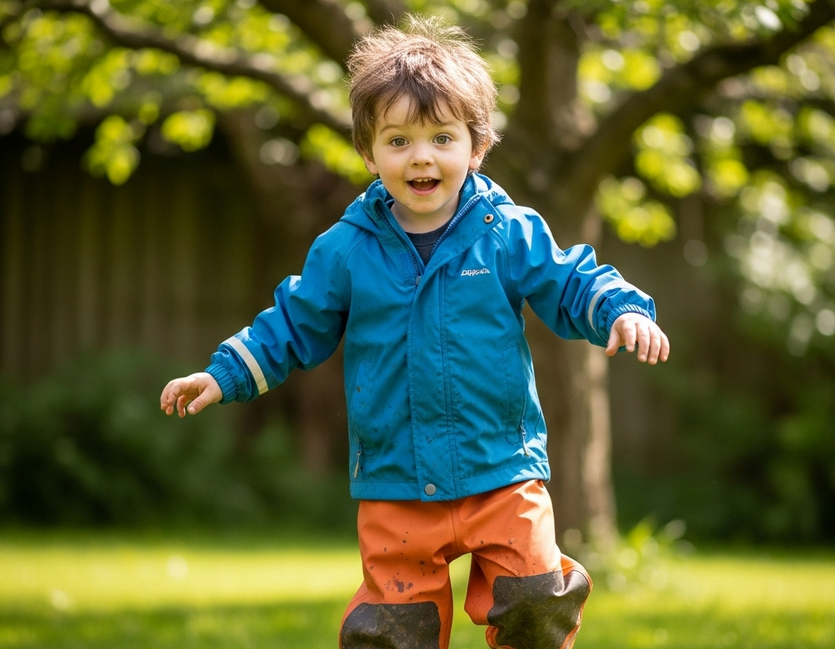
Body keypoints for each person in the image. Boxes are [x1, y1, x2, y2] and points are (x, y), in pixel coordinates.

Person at [160, 15, 670, 649]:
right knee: (395, 631)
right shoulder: (346, 251)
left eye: (441, 137)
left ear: (476, 148)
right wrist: (223, 374)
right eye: (398, 140)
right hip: (397, 480)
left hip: (502, 470)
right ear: (369, 152)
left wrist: (621, 309)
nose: (421, 155)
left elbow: (569, 280)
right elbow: (292, 323)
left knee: (536, 602)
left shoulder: (506, 233)